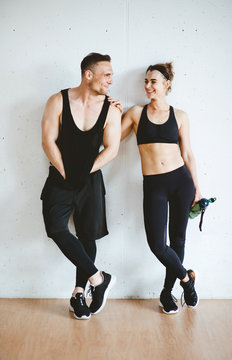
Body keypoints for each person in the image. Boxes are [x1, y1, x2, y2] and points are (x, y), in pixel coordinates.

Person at [41, 53, 121, 320]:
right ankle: (99, 279)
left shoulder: (111, 108)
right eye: (106, 74)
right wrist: (65, 172)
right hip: (60, 176)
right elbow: (47, 141)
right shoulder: (57, 100)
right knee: (56, 228)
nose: (111, 80)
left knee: (87, 237)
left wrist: (85, 170)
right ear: (89, 75)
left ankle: (78, 294)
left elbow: (112, 149)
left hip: (91, 178)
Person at [120, 62, 201, 314]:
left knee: (177, 241)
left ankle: (167, 292)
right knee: (157, 244)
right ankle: (186, 280)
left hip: (181, 182)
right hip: (154, 184)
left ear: (167, 84)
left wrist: (197, 188)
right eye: (146, 81)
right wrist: (112, 112)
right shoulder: (135, 113)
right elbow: (110, 139)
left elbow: (187, 154)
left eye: (153, 81)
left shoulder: (181, 116)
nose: (148, 86)